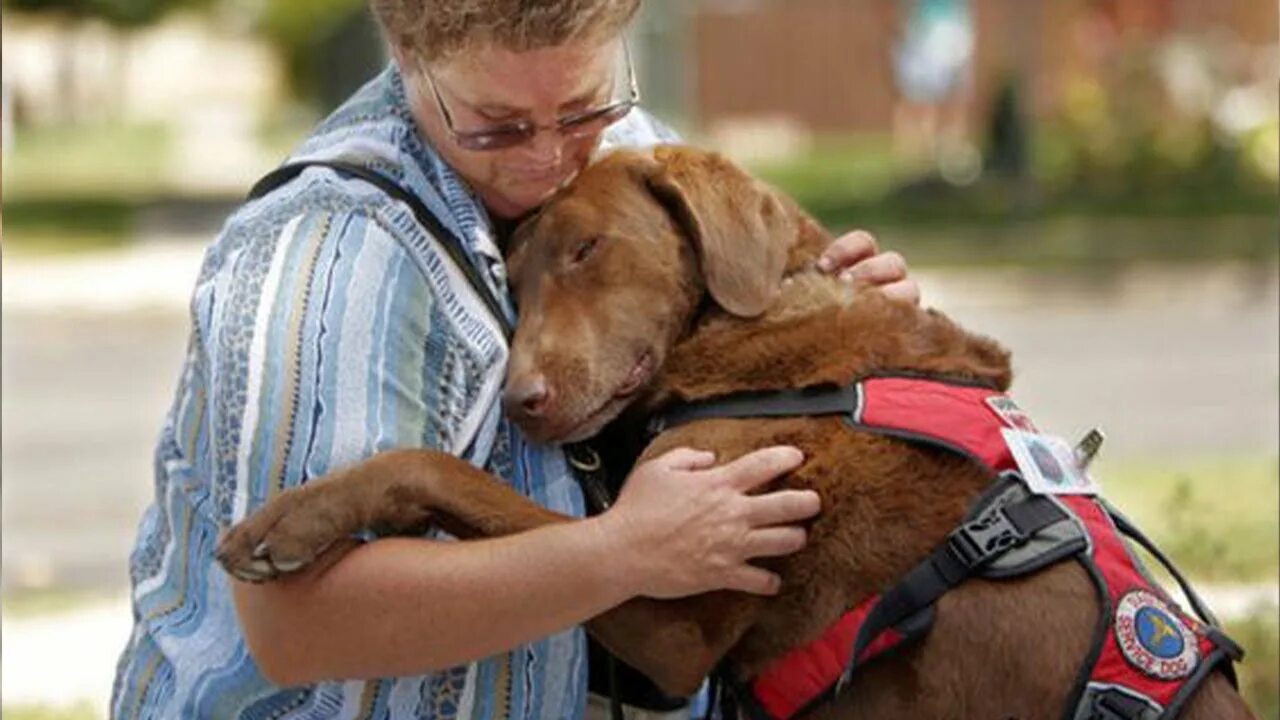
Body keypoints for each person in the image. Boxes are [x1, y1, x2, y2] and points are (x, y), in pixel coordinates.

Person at [110, 1, 920, 718]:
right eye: (497, 124)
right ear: (408, 59)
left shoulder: (629, 154)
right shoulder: (335, 261)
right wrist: (622, 555)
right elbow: (295, 628)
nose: (547, 159)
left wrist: (838, 317)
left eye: (580, 107)